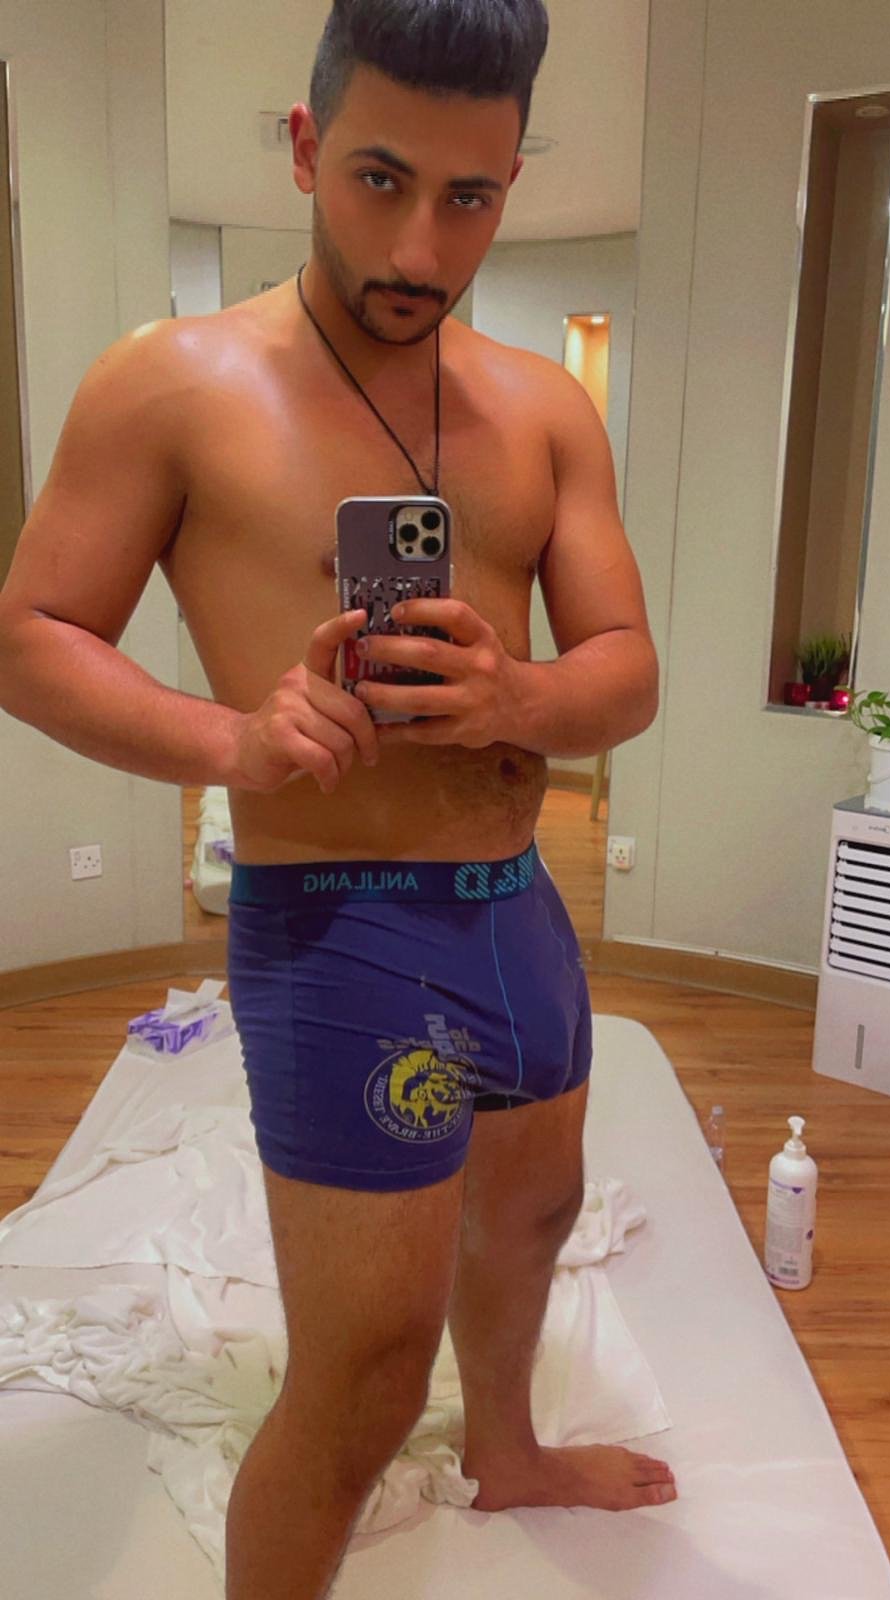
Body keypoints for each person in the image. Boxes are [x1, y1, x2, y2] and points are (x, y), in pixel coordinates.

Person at [0, 2, 671, 1596]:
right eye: (381, 179)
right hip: (339, 929)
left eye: (469, 196)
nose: (421, 245)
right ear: (306, 148)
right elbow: (30, 638)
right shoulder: (170, 386)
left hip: (518, 908)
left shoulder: (544, 409)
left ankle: (507, 1448)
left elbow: (629, 668)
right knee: (365, 1375)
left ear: (512, 180)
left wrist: (518, 700)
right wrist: (234, 741)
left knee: (532, 1220)